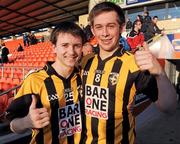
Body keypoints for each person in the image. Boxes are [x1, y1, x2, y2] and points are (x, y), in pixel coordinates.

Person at [79, 2, 177, 144]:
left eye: (111, 26)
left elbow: (170, 107)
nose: (105, 33)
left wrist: (159, 73)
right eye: (99, 27)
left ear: (122, 28)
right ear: (93, 31)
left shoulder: (134, 63)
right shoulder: (84, 61)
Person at [6, 21, 86, 144]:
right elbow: (12, 124)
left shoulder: (84, 75)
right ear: (54, 47)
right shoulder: (35, 80)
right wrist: (27, 121)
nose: (71, 51)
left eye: (77, 45)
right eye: (65, 45)